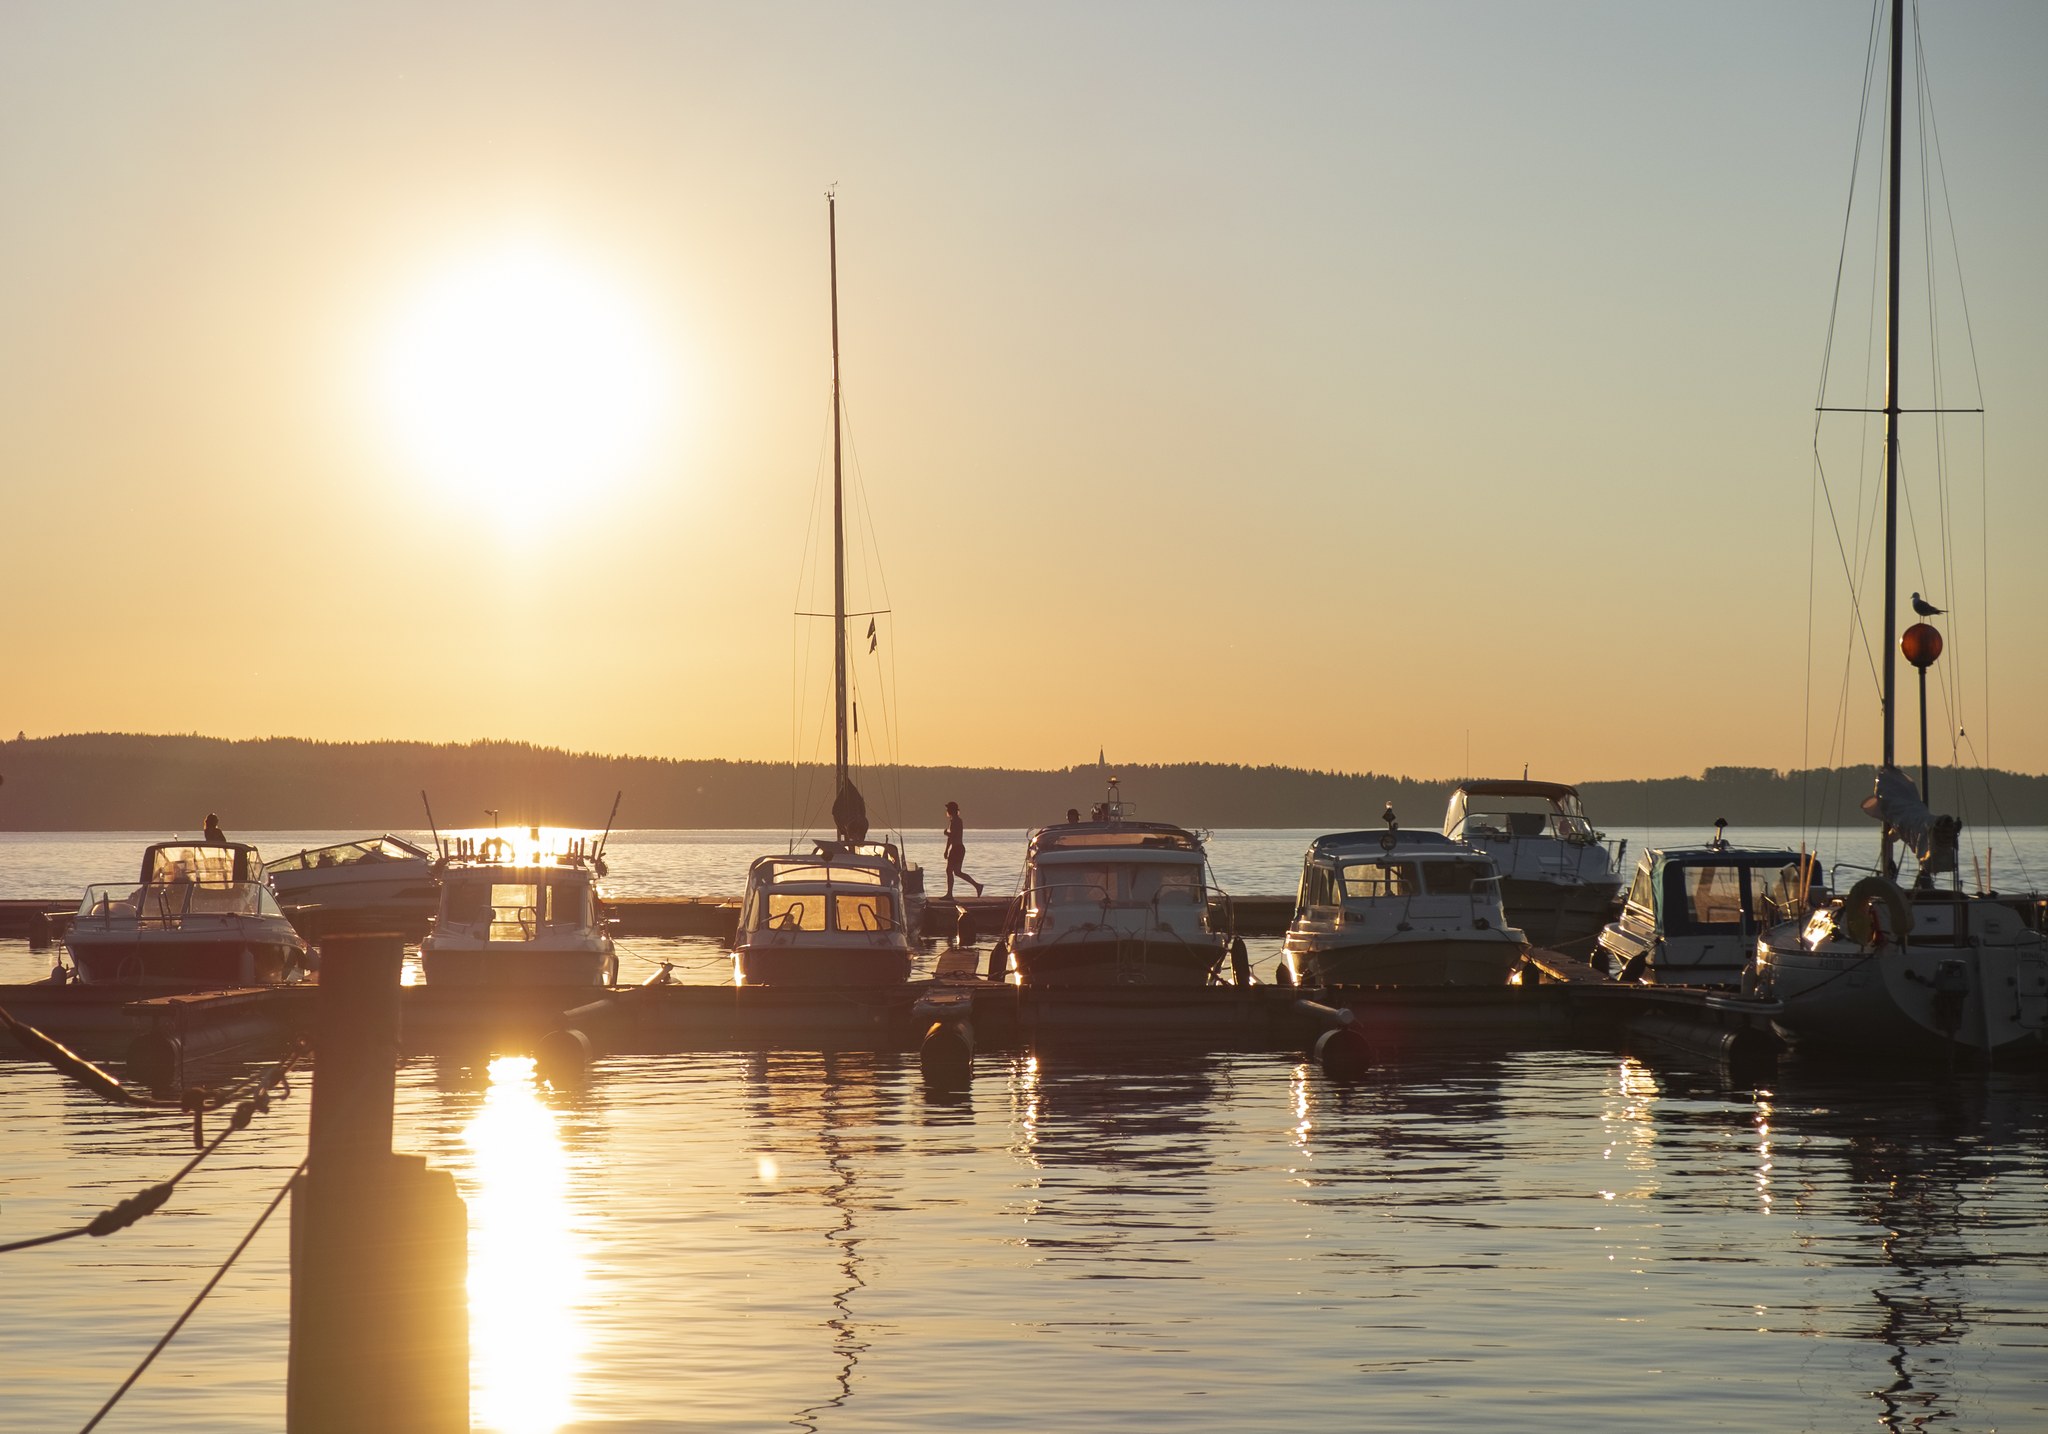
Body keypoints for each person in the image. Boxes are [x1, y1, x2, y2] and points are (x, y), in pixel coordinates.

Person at [943, 801, 982, 898]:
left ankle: (949, 894)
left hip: (957, 849)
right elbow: (950, 839)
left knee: (949, 870)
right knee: (957, 872)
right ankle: (977, 886)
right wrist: (946, 850)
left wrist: (946, 833)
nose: (947, 810)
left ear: (952, 810)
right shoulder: (952, 821)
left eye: (948, 809)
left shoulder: (957, 821)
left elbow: (953, 835)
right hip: (956, 849)